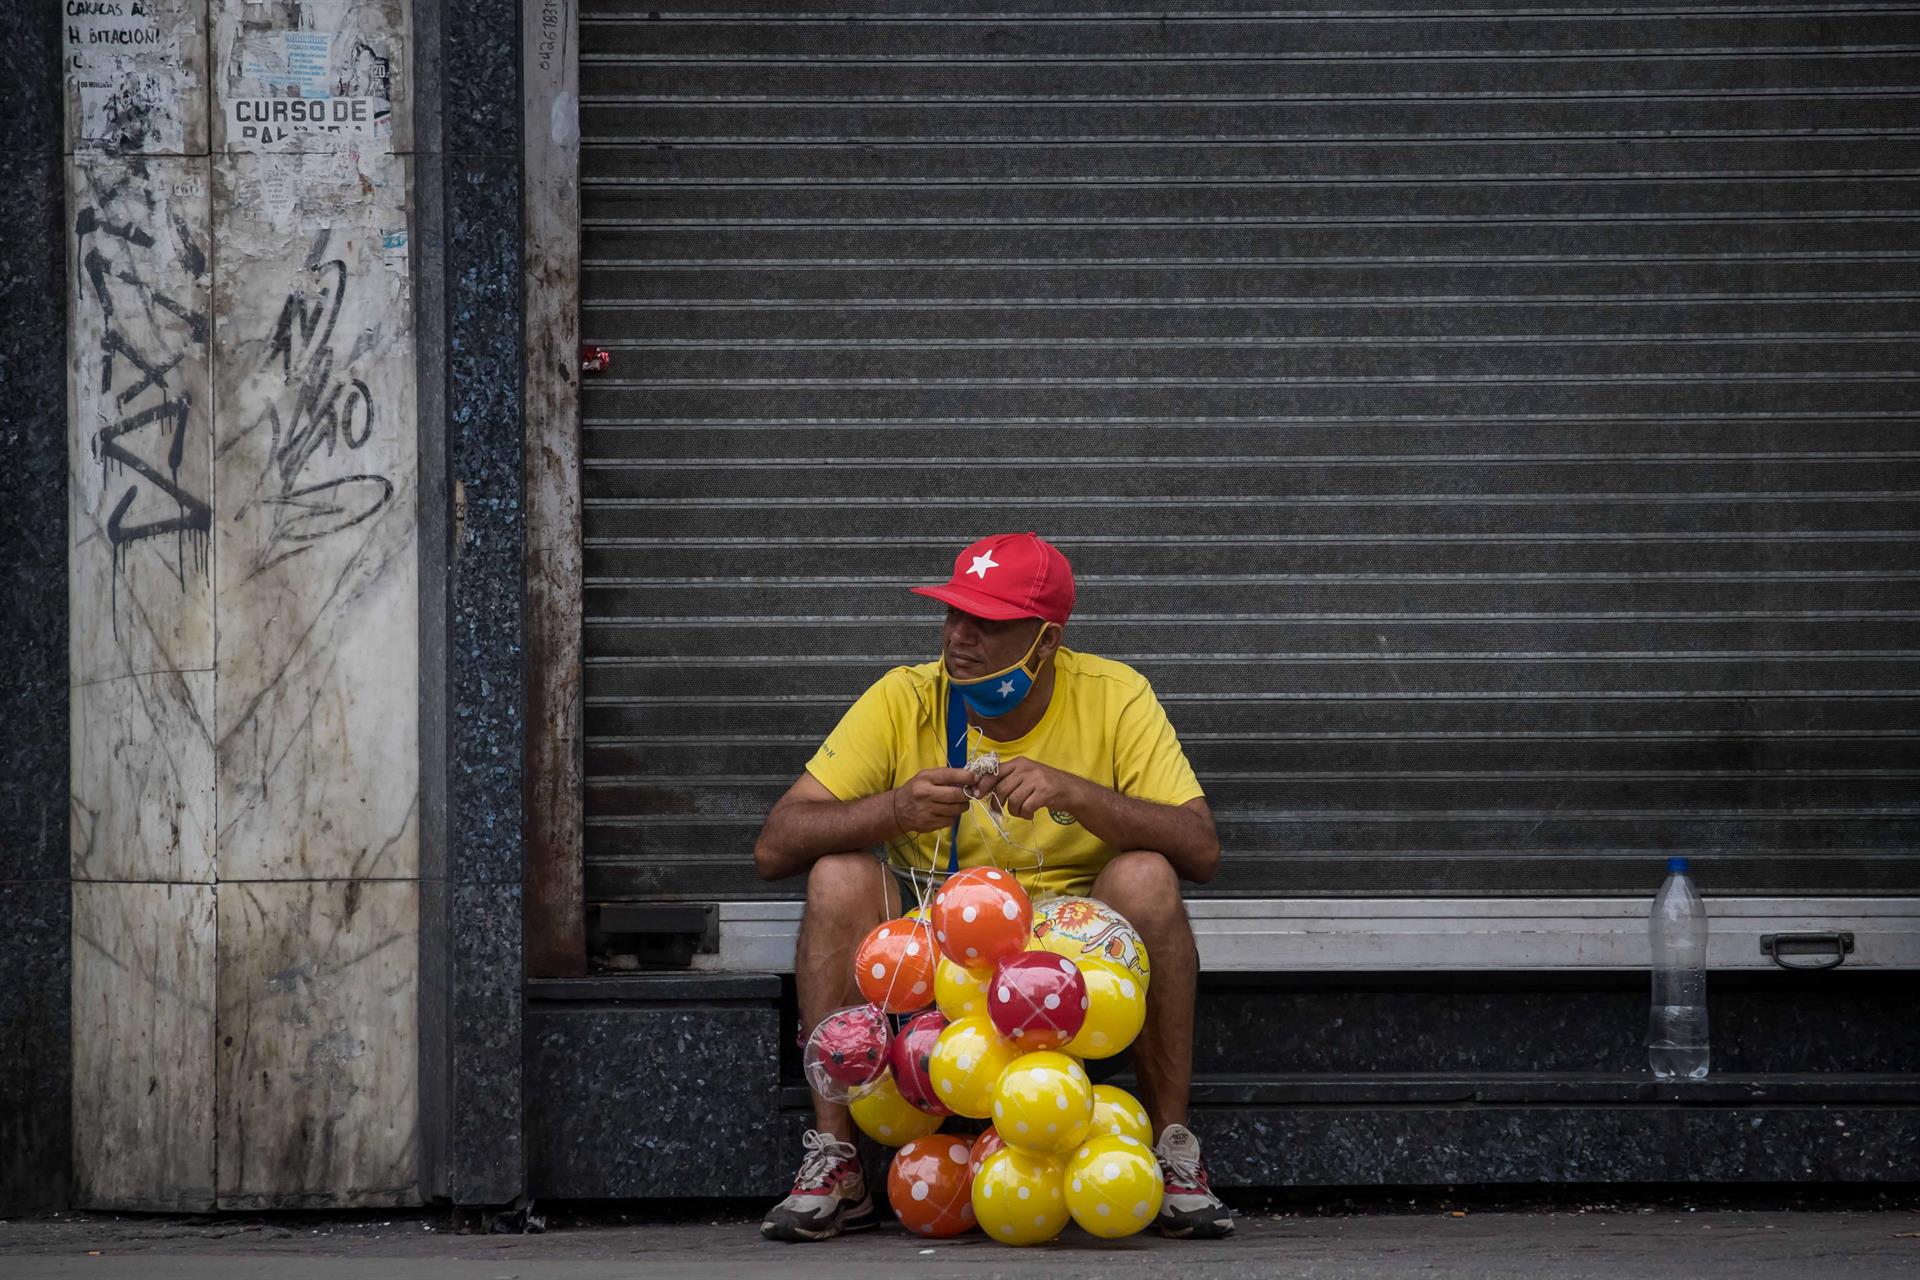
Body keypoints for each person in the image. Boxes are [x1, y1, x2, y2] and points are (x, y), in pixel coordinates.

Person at [753, 532, 1232, 1242]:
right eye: (952, 614)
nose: (959, 636)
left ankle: (1171, 1155)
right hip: (941, 942)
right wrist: (895, 809)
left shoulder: (1115, 694)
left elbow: (1201, 849)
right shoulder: (905, 697)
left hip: (1069, 940)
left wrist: (1079, 794)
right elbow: (774, 845)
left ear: (1045, 643)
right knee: (837, 875)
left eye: (988, 623)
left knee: (1149, 876)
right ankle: (840, 1163)